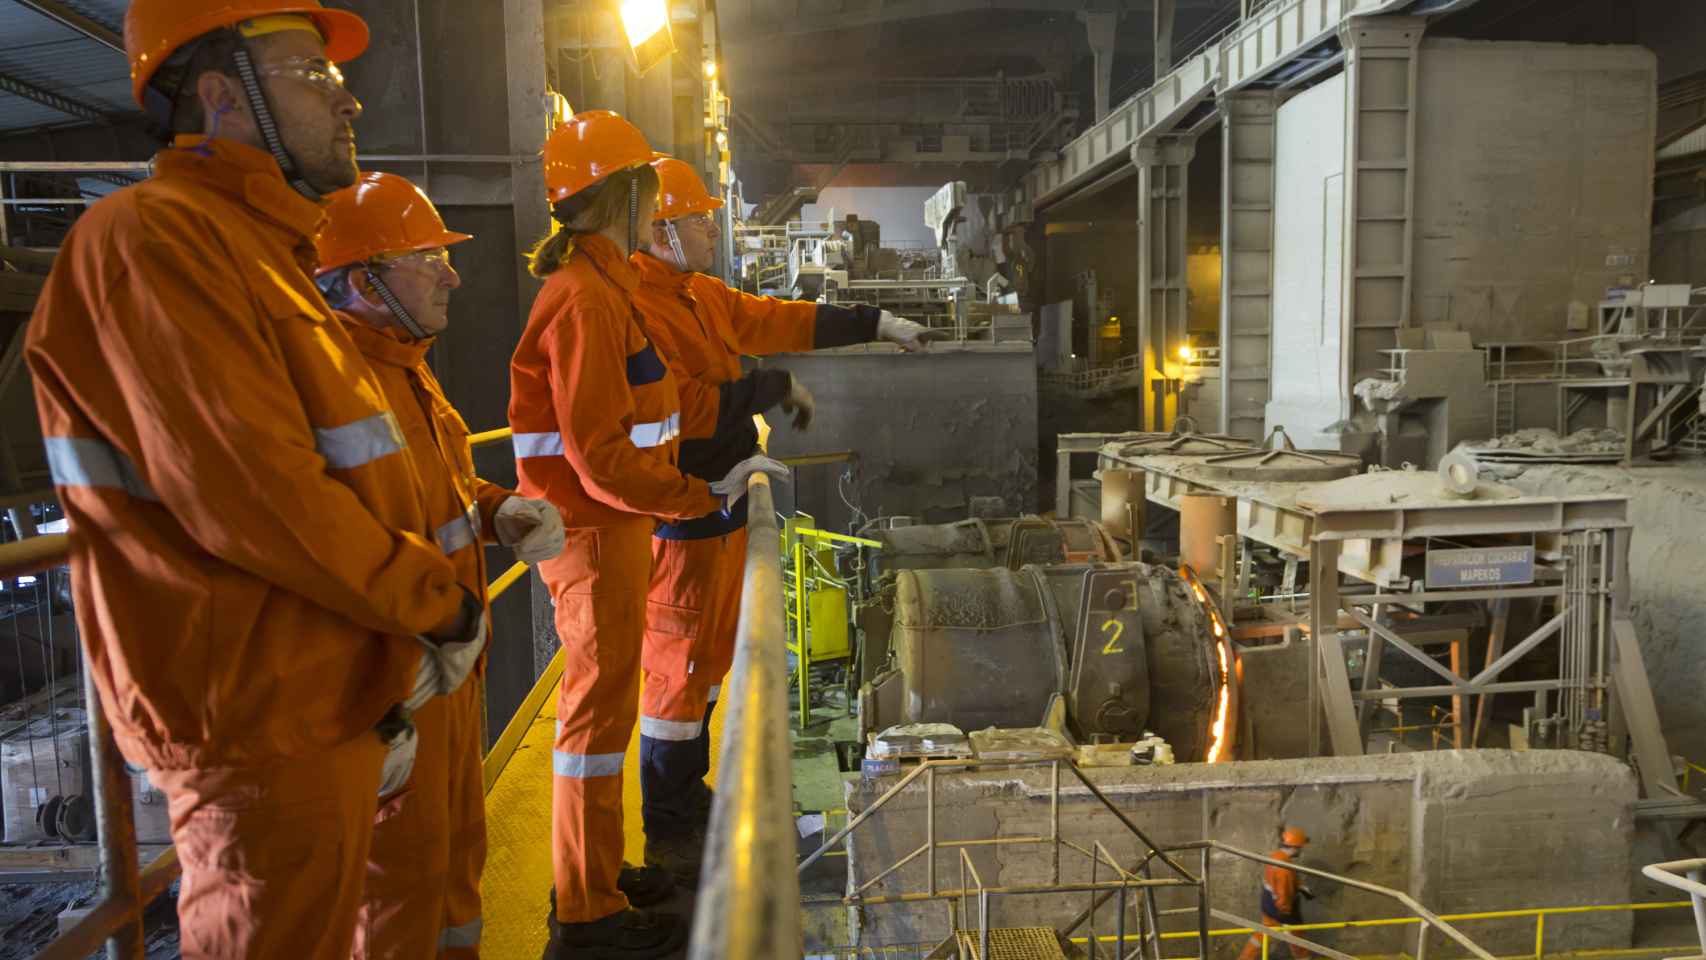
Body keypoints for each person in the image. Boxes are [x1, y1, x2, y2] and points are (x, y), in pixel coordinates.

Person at [26, 3, 488, 957]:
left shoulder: (261, 254)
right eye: (312, 76)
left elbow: (345, 477)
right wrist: (436, 604)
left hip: (320, 690)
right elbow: (259, 496)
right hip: (252, 708)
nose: (348, 97)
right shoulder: (154, 241)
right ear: (221, 94)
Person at [508, 110, 790, 959]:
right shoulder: (586, 301)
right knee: (592, 731)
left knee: (602, 726)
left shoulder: (603, 291)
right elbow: (599, 456)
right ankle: (585, 913)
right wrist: (694, 493)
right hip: (597, 534)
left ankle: (597, 872)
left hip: (613, 532)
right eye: (651, 193)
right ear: (624, 197)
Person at [629, 156, 941, 882]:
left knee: (702, 669)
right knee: (678, 673)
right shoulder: (644, 309)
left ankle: (683, 794)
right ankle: (668, 818)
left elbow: (779, 318)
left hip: (720, 505)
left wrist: (877, 322)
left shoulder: (695, 294)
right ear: (661, 229)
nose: (713, 227)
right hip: (684, 512)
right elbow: (689, 411)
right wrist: (770, 386)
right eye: (701, 218)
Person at [314, 171, 567, 959]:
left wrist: (498, 511)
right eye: (428, 256)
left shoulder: (405, 371)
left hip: (448, 677)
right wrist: (369, 708)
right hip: (393, 689)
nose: (453, 273)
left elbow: (434, 496)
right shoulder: (327, 387)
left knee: (457, 876)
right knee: (398, 895)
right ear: (363, 281)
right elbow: (317, 551)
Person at [1236, 826, 1315, 960]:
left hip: (1269, 905)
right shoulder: (1284, 870)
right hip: (1282, 911)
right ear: (1295, 847)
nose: (1302, 849)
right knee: (1298, 940)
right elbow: (1283, 895)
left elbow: (1276, 884)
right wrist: (1287, 916)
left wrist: (1299, 887)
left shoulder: (1276, 857)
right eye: (1301, 847)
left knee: (1261, 936)